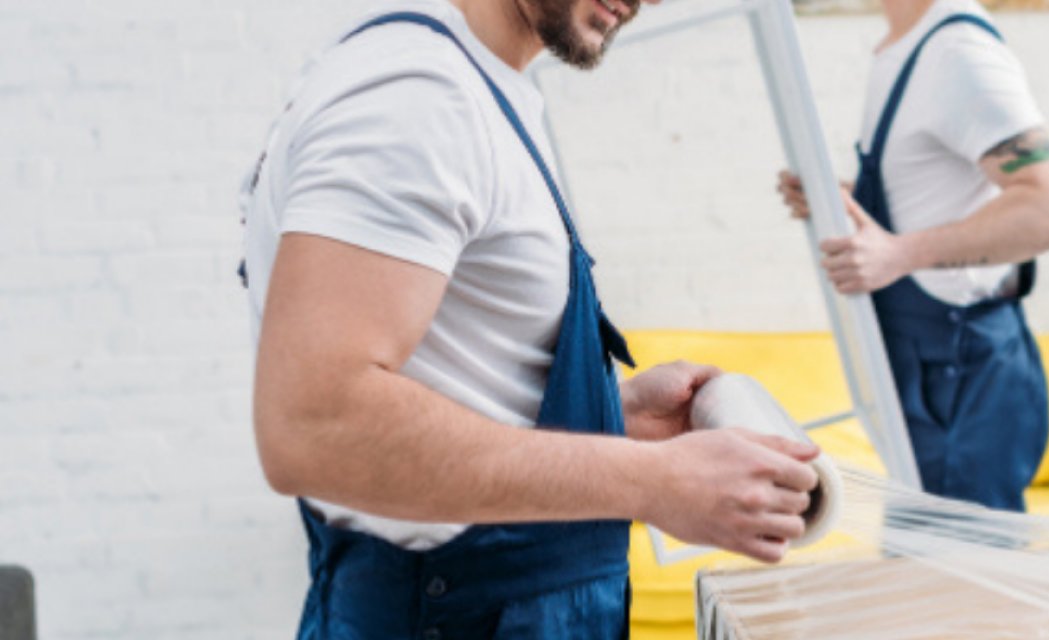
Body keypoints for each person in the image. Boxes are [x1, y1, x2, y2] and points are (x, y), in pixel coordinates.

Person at [239, 0, 820, 636]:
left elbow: (454, 375)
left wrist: (610, 419)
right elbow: (316, 425)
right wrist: (653, 480)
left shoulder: (477, 86)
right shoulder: (417, 96)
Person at [777, 0, 1049, 512]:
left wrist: (899, 253)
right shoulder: (902, 48)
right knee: (923, 573)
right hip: (928, 369)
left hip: (964, 382)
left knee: (960, 580)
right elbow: (936, 192)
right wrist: (849, 200)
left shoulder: (958, 55)